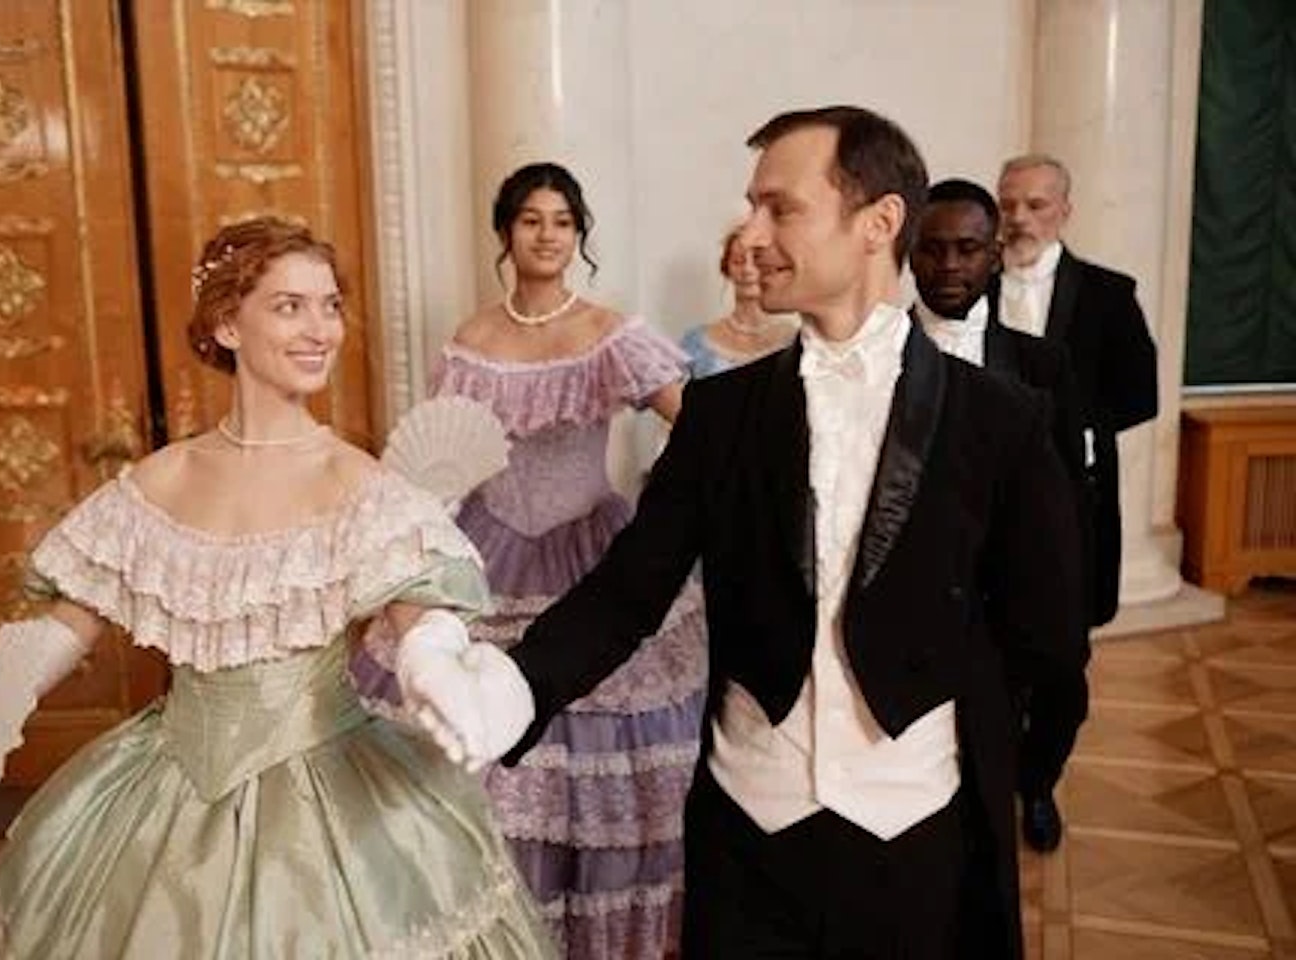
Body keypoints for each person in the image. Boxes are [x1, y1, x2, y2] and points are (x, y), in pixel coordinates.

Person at [401, 108, 1087, 959]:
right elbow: (629, 591)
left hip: (923, 829)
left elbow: (1050, 642)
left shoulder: (1003, 420)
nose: (752, 233)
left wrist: (1000, 760)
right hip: (747, 834)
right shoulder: (723, 412)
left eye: (780, 208)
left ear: (878, 224)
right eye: (752, 208)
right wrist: (508, 692)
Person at [0, 217, 555, 958]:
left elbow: (421, 605)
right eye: (289, 306)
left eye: (330, 304)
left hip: (325, 802)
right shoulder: (161, 480)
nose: (321, 329)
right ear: (227, 324)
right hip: (162, 790)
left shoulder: (359, 485)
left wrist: (435, 659)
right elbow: (69, 620)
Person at [352, 163, 705, 958]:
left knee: (593, 714)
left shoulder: (610, 333)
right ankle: (496, 928)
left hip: (591, 542)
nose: (548, 234)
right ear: (505, 233)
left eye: (562, 221)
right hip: (486, 547)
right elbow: (446, 455)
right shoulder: (473, 339)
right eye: (531, 220)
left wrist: (668, 517)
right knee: (471, 726)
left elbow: (696, 429)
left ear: (580, 235)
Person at [911, 177, 1091, 854]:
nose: (950, 265)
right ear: (908, 253)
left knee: (1061, 693)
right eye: (933, 249)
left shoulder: (1043, 364)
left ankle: (1036, 783)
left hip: (1026, 579)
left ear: (994, 255)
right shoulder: (881, 352)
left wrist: (1079, 593)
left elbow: (1075, 488)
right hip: (926, 585)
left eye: (966, 249)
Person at [996, 154, 1159, 849]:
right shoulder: (967, 283)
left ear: (1065, 208)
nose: (1021, 219)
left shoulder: (1108, 293)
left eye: (1036, 204)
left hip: (1075, 506)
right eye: (1010, 205)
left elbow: (1140, 392)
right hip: (989, 507)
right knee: (992, 663)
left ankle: (1038, 784)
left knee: (1063, 672)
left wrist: (1073, 434)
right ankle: (987, 781)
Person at [680, 227, 796, 377]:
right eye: (738, 261)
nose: (747, 270)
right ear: (726, 268)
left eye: (757, 260)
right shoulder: (695, 342)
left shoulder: (795, 340)